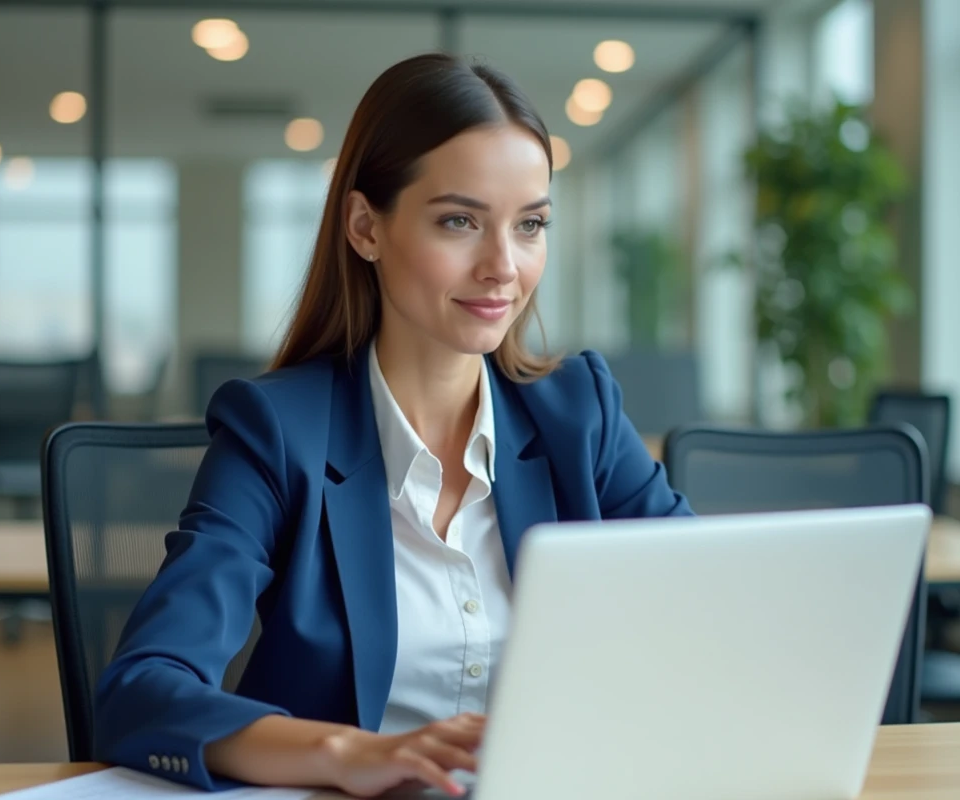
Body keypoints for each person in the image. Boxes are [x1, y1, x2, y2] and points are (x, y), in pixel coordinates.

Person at [95, 52, 692, 797]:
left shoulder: (579, 412)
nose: (504, 266)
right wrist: (348, 755)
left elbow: (703, 608)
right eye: (459, 221)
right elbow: (142, 689)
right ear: (365, 228)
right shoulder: (277, 431)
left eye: (530, 224)